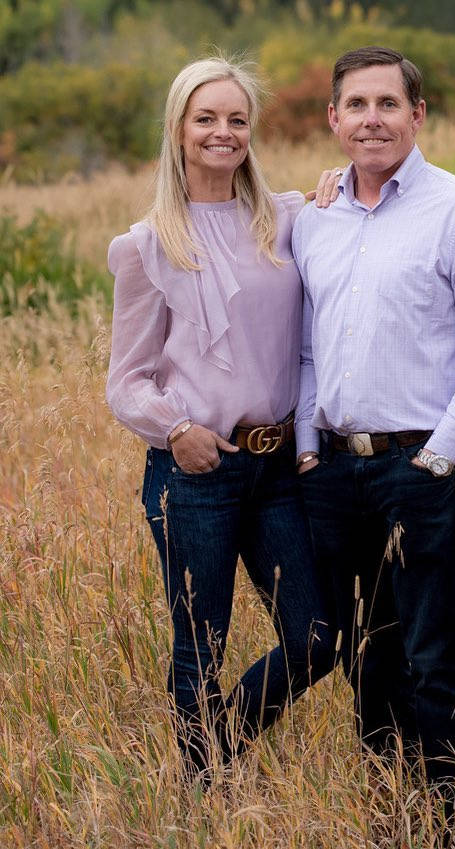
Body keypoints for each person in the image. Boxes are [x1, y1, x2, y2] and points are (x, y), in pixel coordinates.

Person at [293, 46, 455, 802]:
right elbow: (304, 347)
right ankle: (391, 805)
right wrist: (303, 447)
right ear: (333, 119)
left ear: (417, 115)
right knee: (367, 652)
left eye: (387, 104)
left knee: (435, 650)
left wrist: (442, 454)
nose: (371, 120)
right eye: (355, 105)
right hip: (332, 470)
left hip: (423, 464)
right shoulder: (314, 219)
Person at [106, 57, 336, 782]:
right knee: (197, 644)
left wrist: (342, 187)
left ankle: (221, 745)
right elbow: (126, 381)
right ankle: (206, 787)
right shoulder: (147, 246)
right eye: (206, 118)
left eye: (236, 118)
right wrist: (175, 429)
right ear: (178, 129)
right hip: (195, 473)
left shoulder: (289, 218)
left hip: (276, 469)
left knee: (316, 637)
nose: (223, 132)